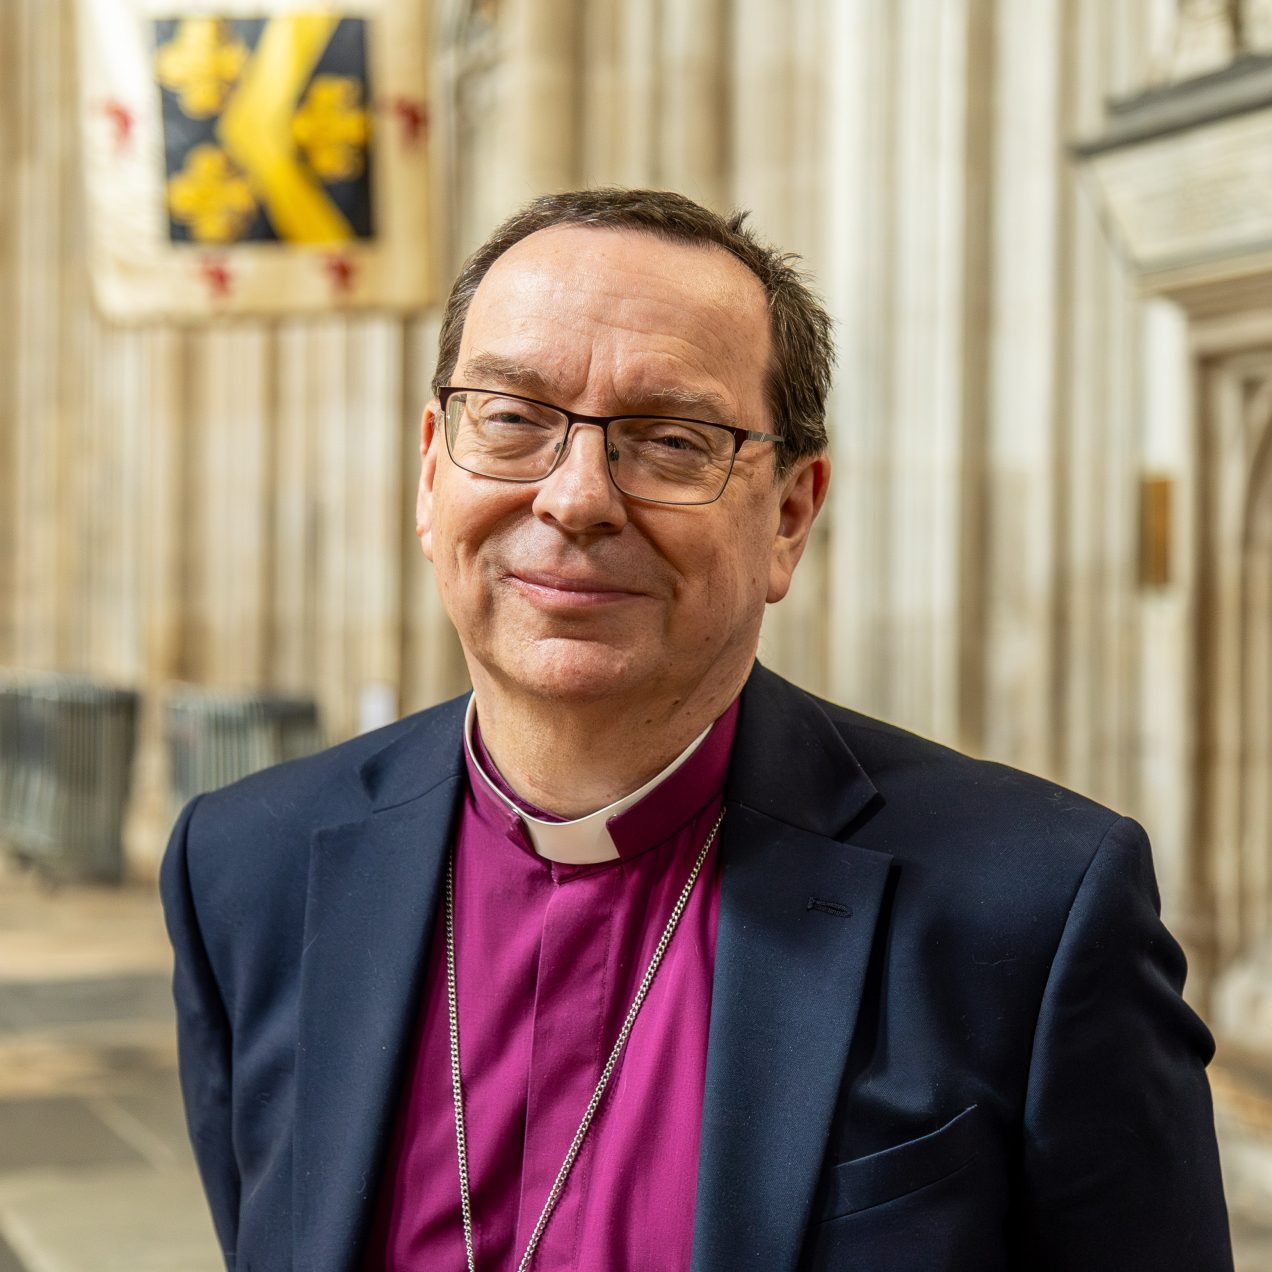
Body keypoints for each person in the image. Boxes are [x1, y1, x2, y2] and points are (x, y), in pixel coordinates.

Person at [161, 187, 1233, 1272]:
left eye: (671, 441)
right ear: (433, 470)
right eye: (514, 419)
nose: (576, 498)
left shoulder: (1034, 912)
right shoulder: (245, 869)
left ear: (788, 516)